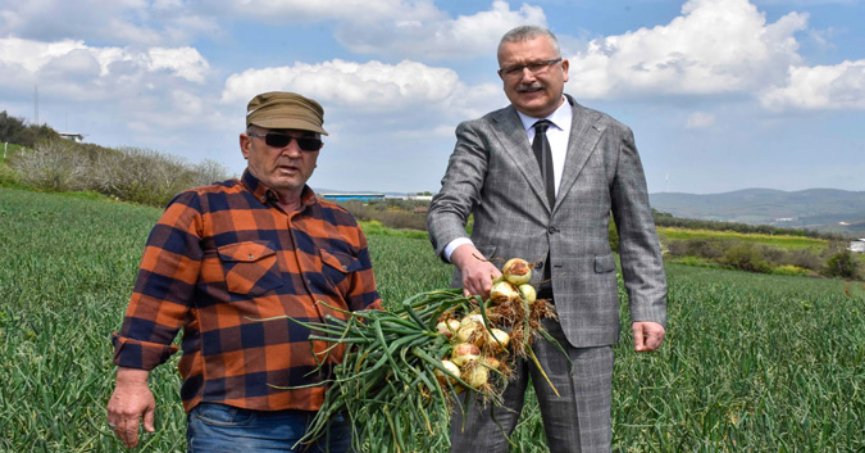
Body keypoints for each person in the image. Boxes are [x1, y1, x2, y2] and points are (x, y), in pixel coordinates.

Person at [427, 25, 667, 452]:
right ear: (502, 78)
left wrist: (647, 306)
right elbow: (447, 208)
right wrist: (464, 255)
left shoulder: (611, 134)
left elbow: (636, 230)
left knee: (584, 445)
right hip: (491, 319)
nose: (528, 76)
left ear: (564, 68)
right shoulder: (480, 133)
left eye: (538, 64)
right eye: (513, 69)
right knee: (475, 444)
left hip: (582, 319)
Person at [106, 91, 381, 452]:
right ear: (246, 144)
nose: (293, 151)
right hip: (238, 421)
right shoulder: (202, 207)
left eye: (308, 142)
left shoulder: (341, 222)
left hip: (331, 416)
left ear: (317, 154)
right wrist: (130, 382)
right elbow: (156, 300)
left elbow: (368, 314)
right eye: (278, 138)